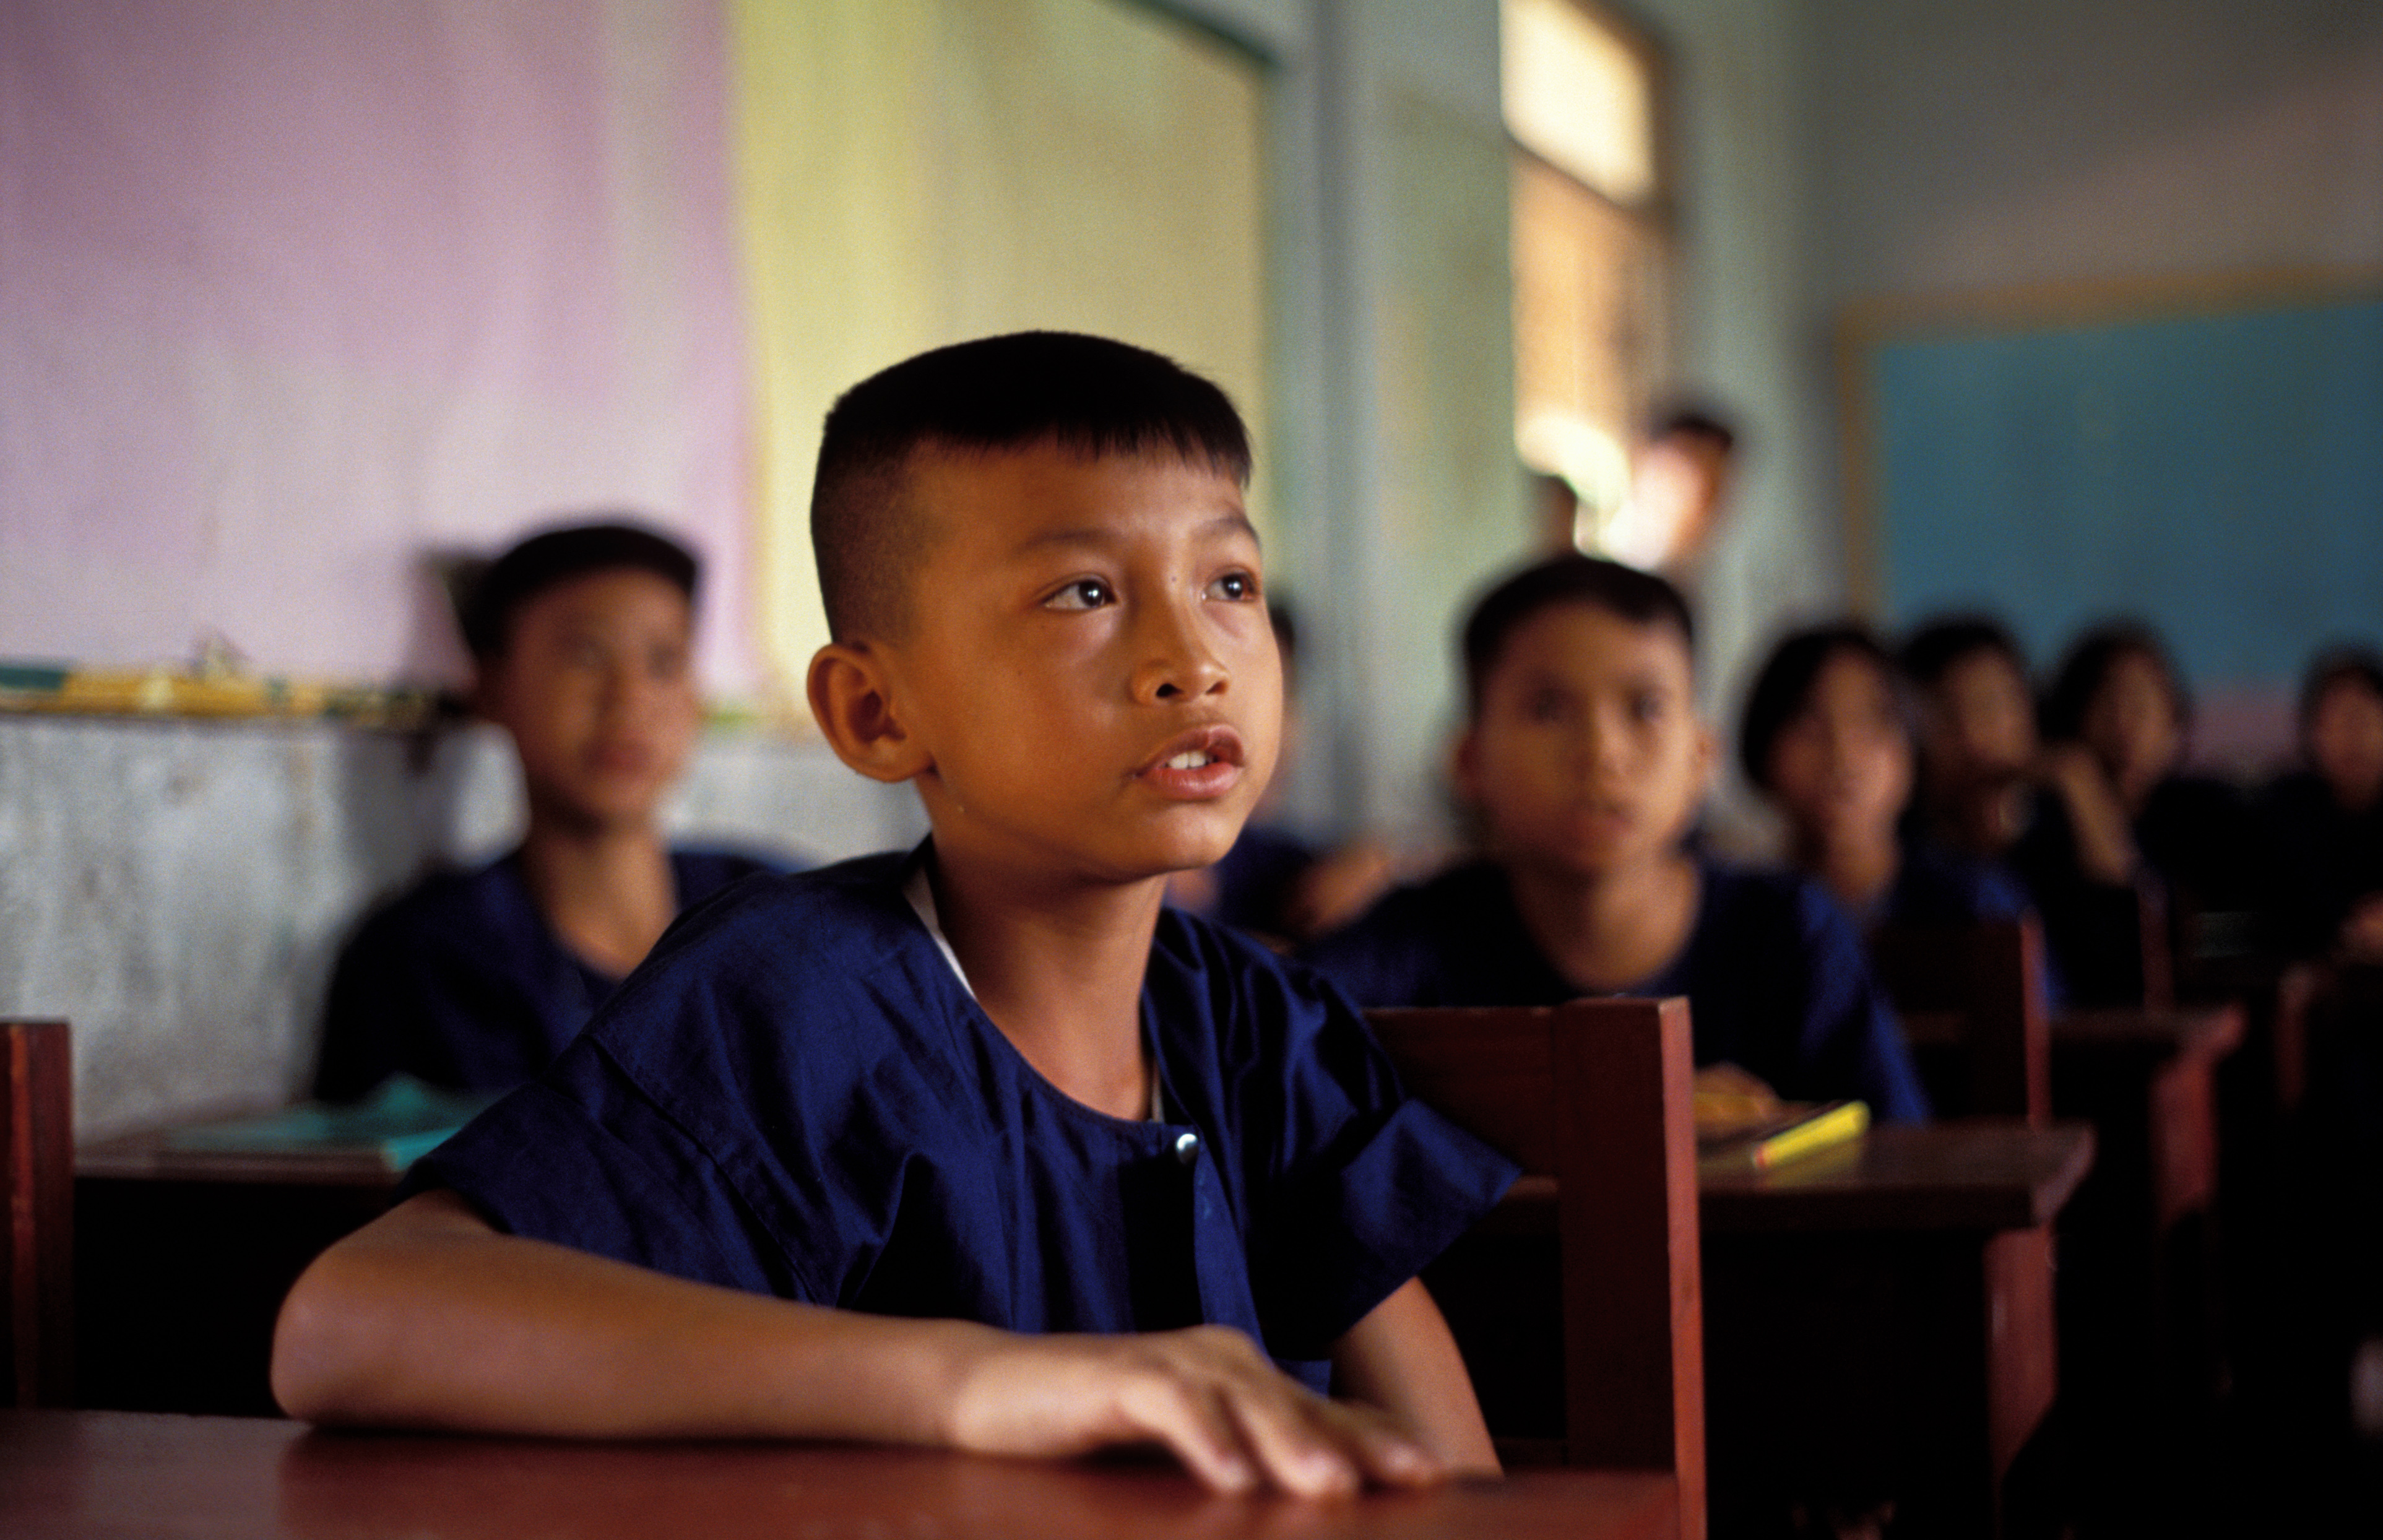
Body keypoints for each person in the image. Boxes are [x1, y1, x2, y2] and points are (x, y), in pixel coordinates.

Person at [271, 332, 1518, 1497]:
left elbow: (1452, 1490)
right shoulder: (802, 999)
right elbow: (350, 1318)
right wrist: (977, 1383)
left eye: (1228, 579)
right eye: (1084, 592)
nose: (1190, 657)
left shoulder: (1256, 1025)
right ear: (875, 712)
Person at [1303, 555, 1929, 1123]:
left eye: (1645, 708)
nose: (1602, 753)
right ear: (1470, 762)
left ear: (1700, 758)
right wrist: (1624, 1107)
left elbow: (1899, 1168)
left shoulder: (1788, 933)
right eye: (1548, 709)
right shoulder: (1419, 938)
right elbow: (1271, 1047)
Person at [313, 523, 789, 1102]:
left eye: (664, 663)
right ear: (493, 689)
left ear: (696, 700)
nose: (630, 699)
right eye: (587, 655)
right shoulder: (429, 962)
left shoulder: (775, 918)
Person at [1900, 616, 2147, 1006]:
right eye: (1948, 713)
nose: (1973, 735)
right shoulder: (1905, 857)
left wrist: (2083, 794)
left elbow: (2132, 971)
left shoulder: (2059, 835)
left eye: (1992, 706)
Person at [1739, 621, 2036, 936]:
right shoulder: (1739, 916)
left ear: (1911, 749)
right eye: (1808, 724)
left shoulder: (1976, 903)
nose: (1843, 755)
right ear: (1763, 747)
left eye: (1871, 720)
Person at [1166, 602, 1395, 948]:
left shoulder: (1291, 875)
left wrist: (1387, 867)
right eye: (1229, 698)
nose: (1264, 735)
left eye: (1279, 698)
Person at [2038, 622, 2260, 970]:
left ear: (2174, 719)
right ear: (2074, 714)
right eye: (2108, 698)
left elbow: (2253, 930)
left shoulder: (2211, 812)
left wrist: (2189, 936)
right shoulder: (2047, 821)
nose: (2126, 719)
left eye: (2144, 698)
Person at [2263, 645, 2383, 962]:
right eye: (2336, 719)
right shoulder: (2288, 809)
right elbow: (2295, 911)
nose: (2353, 736)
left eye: (2364, 718)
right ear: (2312, 734)